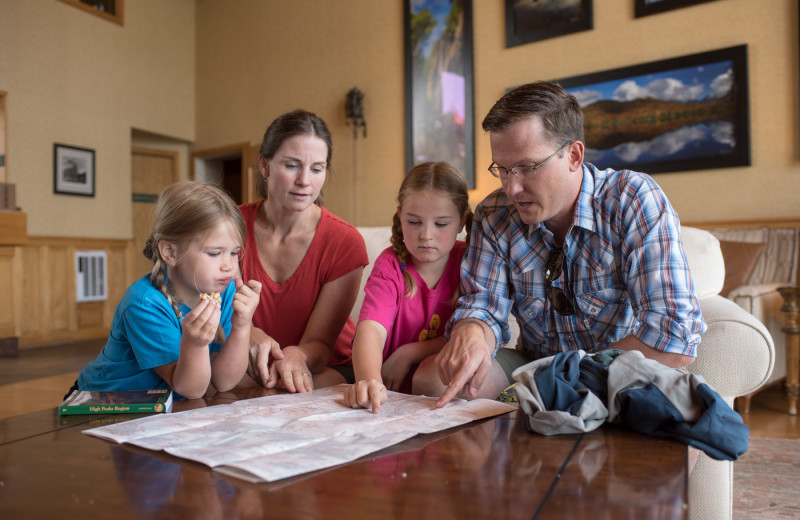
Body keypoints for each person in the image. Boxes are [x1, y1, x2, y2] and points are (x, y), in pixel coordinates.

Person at [414, 80, 707, 407]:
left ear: (574, 155)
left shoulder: (633, 199)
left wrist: (567, 379)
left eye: (527, 168)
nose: (512, 188)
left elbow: (672, 339)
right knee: (431, 380)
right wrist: (471, 330)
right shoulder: (494, 214)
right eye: (503, 169)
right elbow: (483, 304)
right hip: (536, 367)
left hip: (620, 370)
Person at [74, 181, 262, 400]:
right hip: (101, 403)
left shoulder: (225, 289)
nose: (229, 266)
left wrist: (242, 325)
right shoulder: (144, 304)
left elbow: (224, 381)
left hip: (162, 406)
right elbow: (191, 389)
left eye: (234, 253)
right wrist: (195, 344)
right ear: (170, 252)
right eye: (214, 253)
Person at [239, 109, 368, 393]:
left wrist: (297, 355)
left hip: (328, 367)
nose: (304, 181)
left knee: (280, 396)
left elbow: (321, 346)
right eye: (292, 165)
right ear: (265, 165)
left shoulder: (344, 241)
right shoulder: (230, 227)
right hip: (251, 364)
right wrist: (248, 332)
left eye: (317, 168)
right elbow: (220, 313)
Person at [344, 162, 471, 413]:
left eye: (441, 224)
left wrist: (408, 353)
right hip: (390, 396)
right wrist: (369, 380)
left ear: (462, 221)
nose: (426, 235)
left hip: (440, 394)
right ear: (400, 216)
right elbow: (370, 330)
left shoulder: (470, 262)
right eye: (414, 222)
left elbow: (466, 334)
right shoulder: (390, 266)